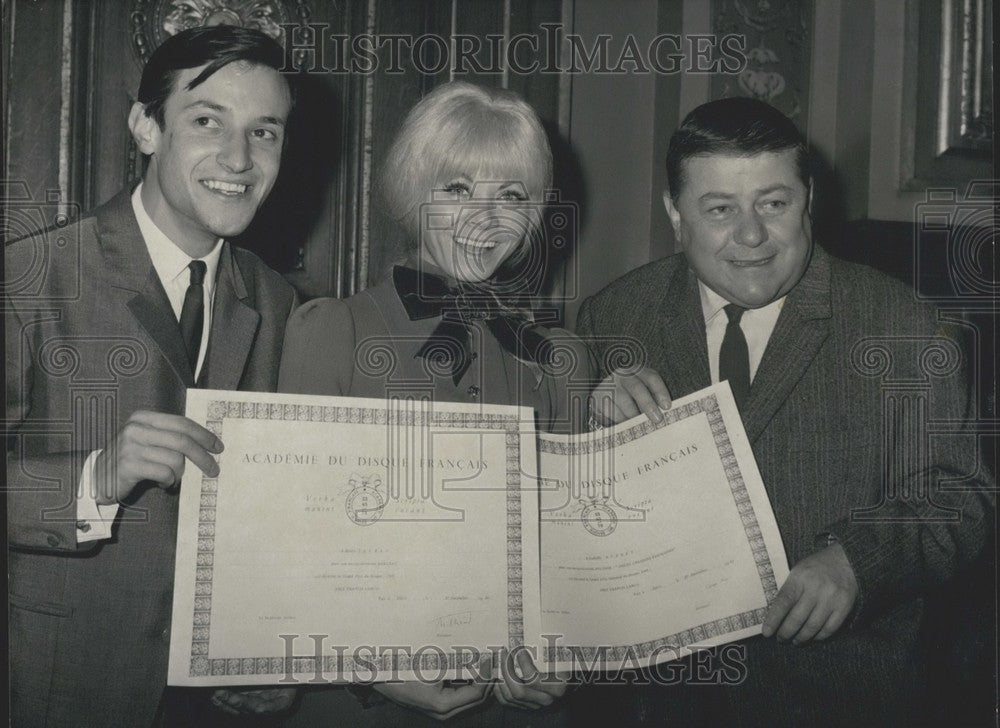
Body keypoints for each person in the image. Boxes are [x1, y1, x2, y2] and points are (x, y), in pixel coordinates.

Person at [573, 97, 994, 727]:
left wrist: (856, 562)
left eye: (773, 203)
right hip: (655, 703)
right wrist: (586, 425)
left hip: (839, 699)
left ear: (809, 199)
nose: (751, 235)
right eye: (720, 209)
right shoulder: (613, 317)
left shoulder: (904, 325)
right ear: (674, 214)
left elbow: (959, 498)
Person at [6, 26, 298, 726]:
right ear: (146, 127)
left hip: (216, 703)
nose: (239, 158)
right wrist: (93, 478)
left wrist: (281, 651)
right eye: (207, 122)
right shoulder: (28, 278)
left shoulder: (280, 301)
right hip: (50, 685)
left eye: (264, 132)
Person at [277, 80, 591, 725]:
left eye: (512, 196)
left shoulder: (560, 360)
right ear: (413, 194)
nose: (486, 219)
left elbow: (567, 555)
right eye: (457, 189)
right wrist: (375, 673)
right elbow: (285, 544)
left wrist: (551, 655)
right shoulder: (333, 331)